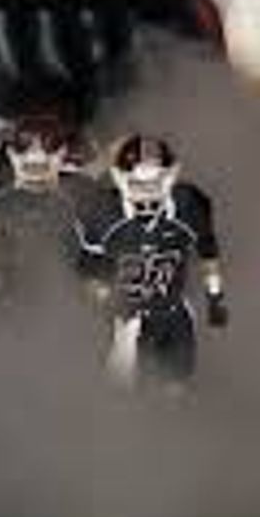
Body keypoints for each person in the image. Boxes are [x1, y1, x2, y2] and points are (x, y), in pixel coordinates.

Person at [76, 134, 229, 393]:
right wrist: (106, 300)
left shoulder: (188, 206)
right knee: (122, 395)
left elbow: (207, 252)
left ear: (170, 177)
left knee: (175, 390)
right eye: (138, 183)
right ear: (121, 179)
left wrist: (215, 296)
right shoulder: (104, 213)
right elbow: (88, 270)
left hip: (173, 312)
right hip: (126, 318)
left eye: (155, 182)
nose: (147, 192)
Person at [0, 112, 97, 308]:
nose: (36, 159)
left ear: (62, 153)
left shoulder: (84, 195)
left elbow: (102, 259)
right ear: (11, 155)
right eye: (24, 152)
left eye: (48, 151)